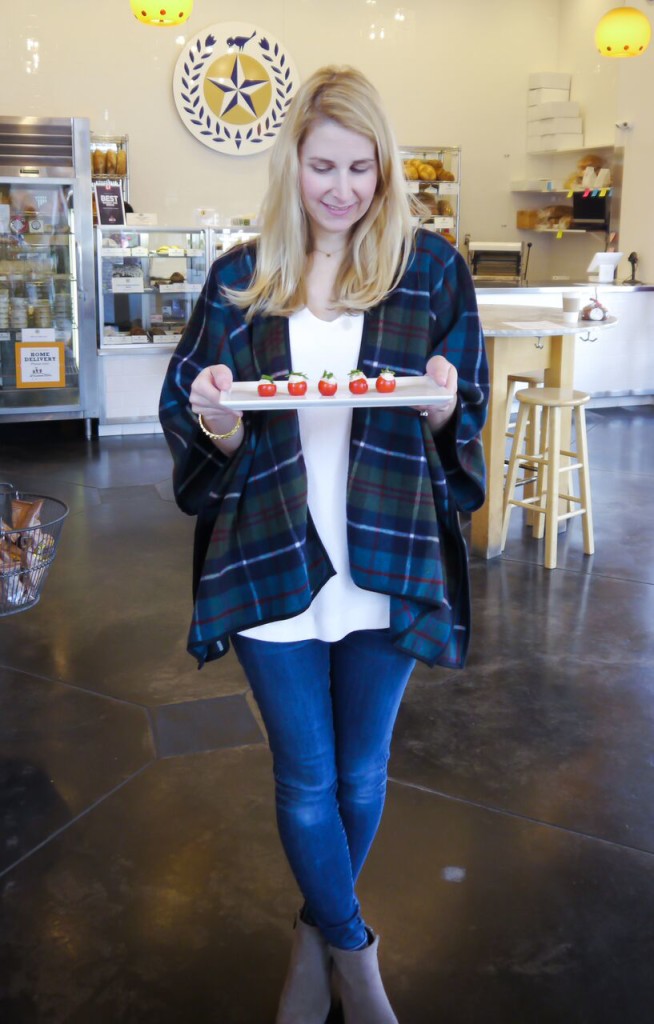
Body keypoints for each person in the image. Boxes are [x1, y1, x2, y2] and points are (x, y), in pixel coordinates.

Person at [160, 65, 488, 1024]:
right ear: (290, 165)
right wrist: (217, 424)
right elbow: (197, 426)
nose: (343, 188)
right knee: (304, 776)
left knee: (361, 773)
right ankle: (355, 953)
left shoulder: (428, 270)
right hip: (270, 552)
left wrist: (440, 409)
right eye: (322, 166)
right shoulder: (239, 276)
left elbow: (459, 409)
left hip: (387, 554)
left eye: (362, 167)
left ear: (386, 168)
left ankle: (315, 937)